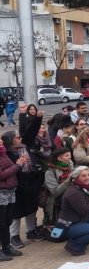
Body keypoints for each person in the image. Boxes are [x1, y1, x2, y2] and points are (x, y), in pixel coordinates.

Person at [2, 107, 43, 250]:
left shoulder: (24, 146)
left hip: (30, 182)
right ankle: (14, 236)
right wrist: (19, 164)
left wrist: (37, 118)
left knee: (32, 208)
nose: (20, 138)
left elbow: (31, 132)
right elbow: (9, 170)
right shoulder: (7, 153)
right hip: (18, 186)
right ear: (10, 141)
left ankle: (31, 231)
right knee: (16, 212)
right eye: (17, 138)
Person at [0, 138, 26, 260]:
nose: (0, 142)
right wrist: (17, 165)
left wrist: (18, 163)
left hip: (10, 191)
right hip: (1, 192)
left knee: (7, 221)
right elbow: (2, 175)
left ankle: (6, 247)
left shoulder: (3, 153)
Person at [43, 148, 75, 226]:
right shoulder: (50, 172)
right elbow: (55, 191)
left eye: (70, 155)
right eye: (67, 156)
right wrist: (69, 180)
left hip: (72, 199)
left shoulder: (70, 165)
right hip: (57, 203)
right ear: (59, 158)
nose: (70, 158)